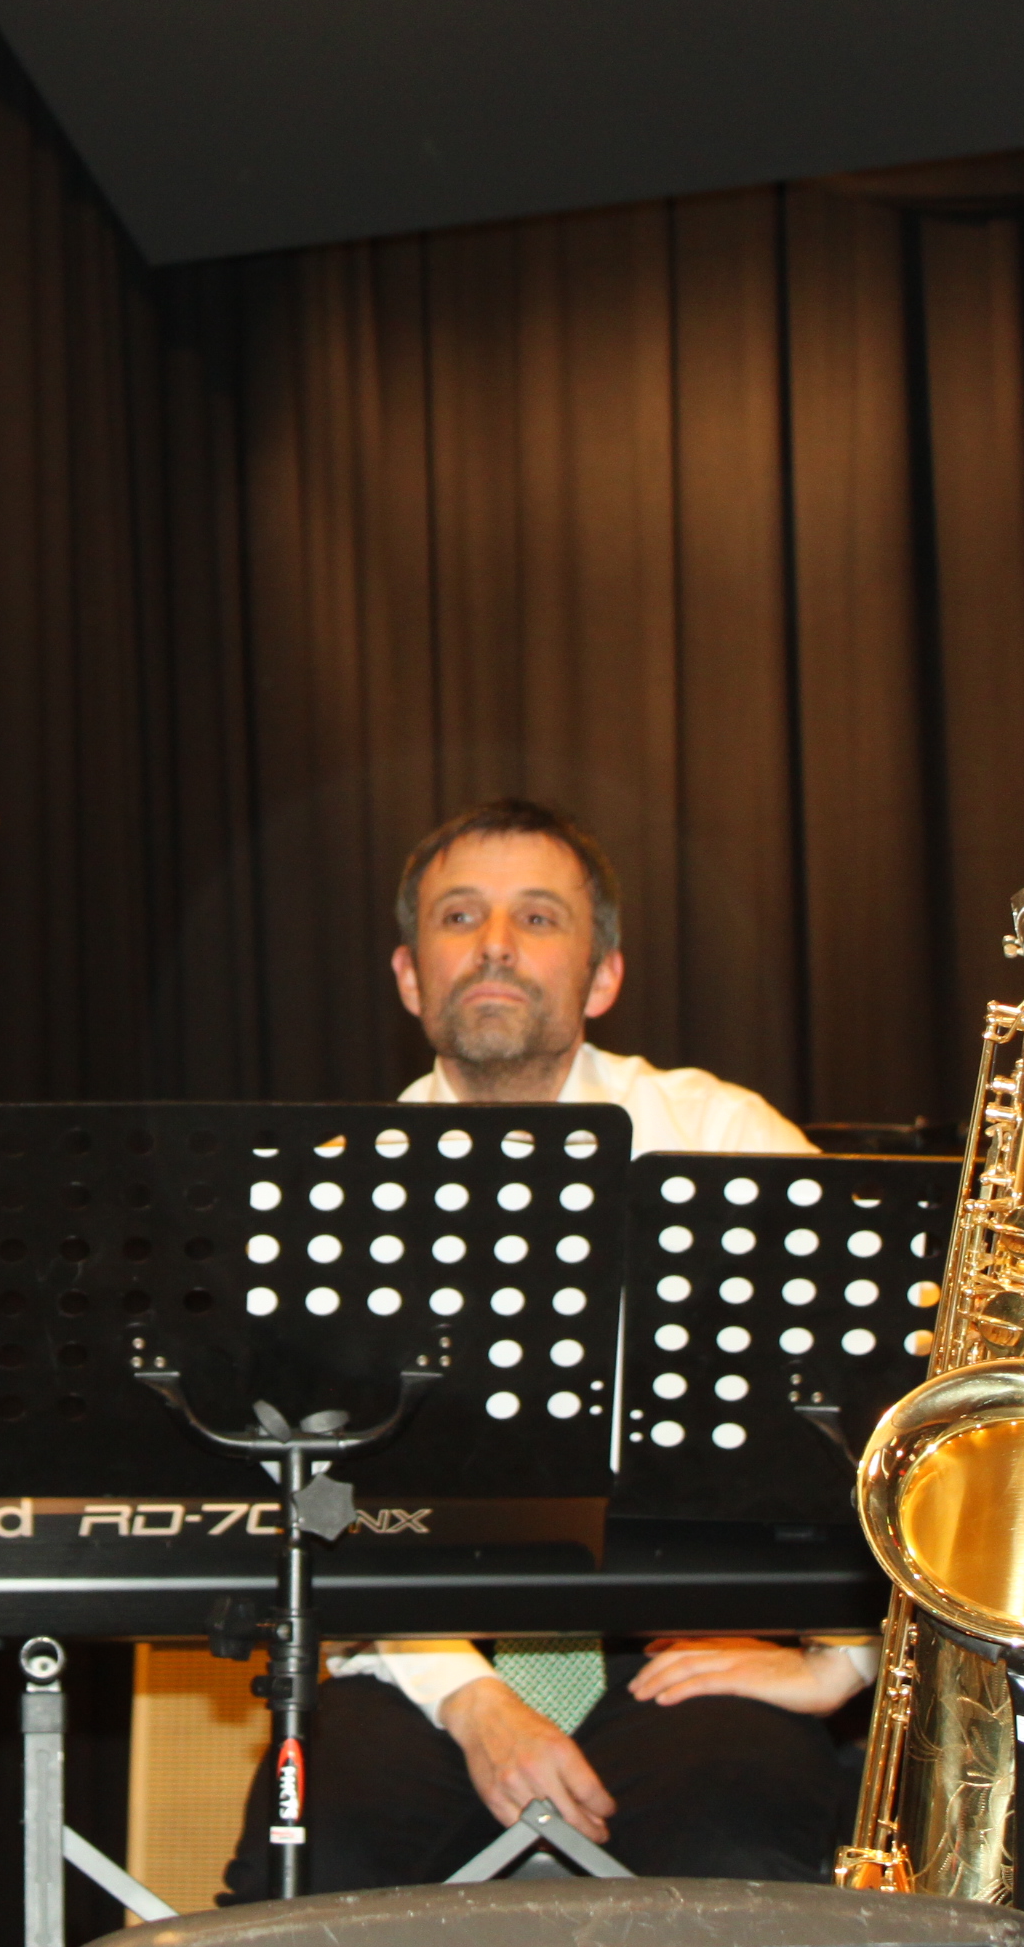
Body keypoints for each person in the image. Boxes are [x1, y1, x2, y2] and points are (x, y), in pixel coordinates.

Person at [225, 798, 864, 1898]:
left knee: (742, 1872)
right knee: (312, 1870)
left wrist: (841, 1663)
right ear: (410, 977)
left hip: (684, 1656)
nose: (495, 945)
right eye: (459, 916)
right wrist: (471, 1700)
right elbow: (308, 1497)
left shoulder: (725, 1139)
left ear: (602, 976)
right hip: (417, 1656)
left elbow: (888, 1415)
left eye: (537, 917)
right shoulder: (330, 1197)